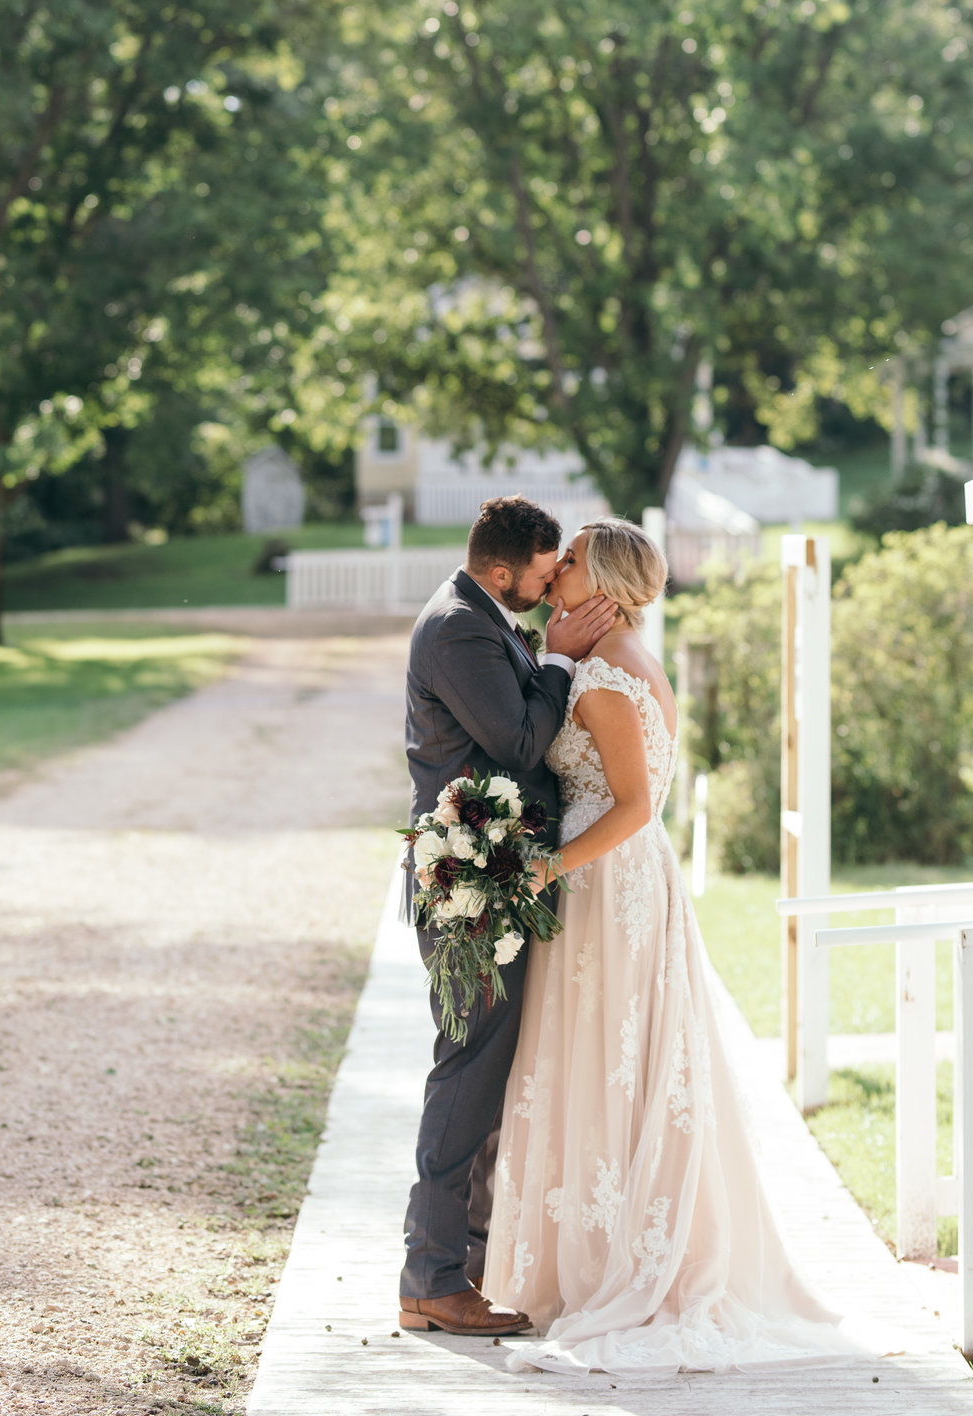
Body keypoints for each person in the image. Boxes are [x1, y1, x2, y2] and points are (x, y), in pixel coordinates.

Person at [483, 517, 840, 1374]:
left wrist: (546, 869)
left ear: (600, 583)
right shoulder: (629, 660)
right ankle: (600, 1251)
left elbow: (635, 804)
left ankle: (620, 1264)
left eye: (568, 561)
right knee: (617, 1059)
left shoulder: (607, 680)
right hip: (621, 880)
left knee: (612, 1057)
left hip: (607, 882)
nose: (555, 570)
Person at [398, 495, 617, 1339]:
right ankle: (432, 1276)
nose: (550, 585)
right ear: (501, 573)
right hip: (469, 888)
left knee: (487, 1077)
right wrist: (558, 660)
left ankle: (463, 1267)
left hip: (496, 882)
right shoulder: (458, 627)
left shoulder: (485, 618)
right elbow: (521, 743)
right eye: (540, 573)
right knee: (467, 1072)